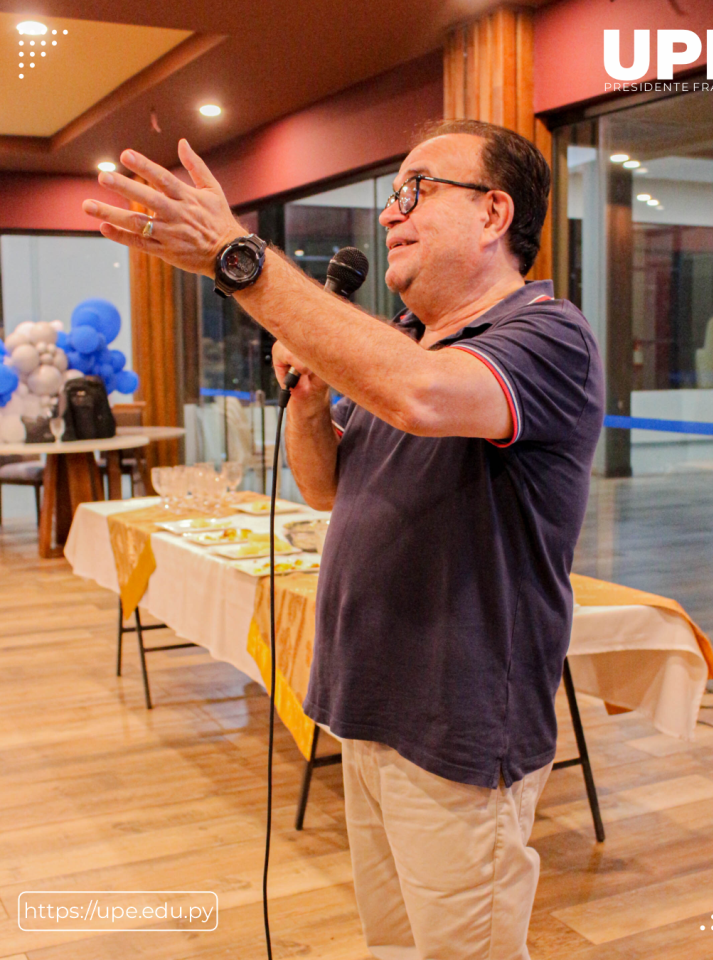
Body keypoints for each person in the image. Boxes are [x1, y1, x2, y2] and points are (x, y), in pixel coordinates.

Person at [84, 118, 605, 960]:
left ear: (494, 213)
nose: (392, 213)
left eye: (417, 189)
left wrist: (239, 257)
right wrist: (310, 398)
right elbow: (327, 487)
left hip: (459, 723)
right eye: (391, 195)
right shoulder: (397, 341)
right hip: (367, 703)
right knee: (392, 945)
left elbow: (425, 400)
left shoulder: (547, 337)